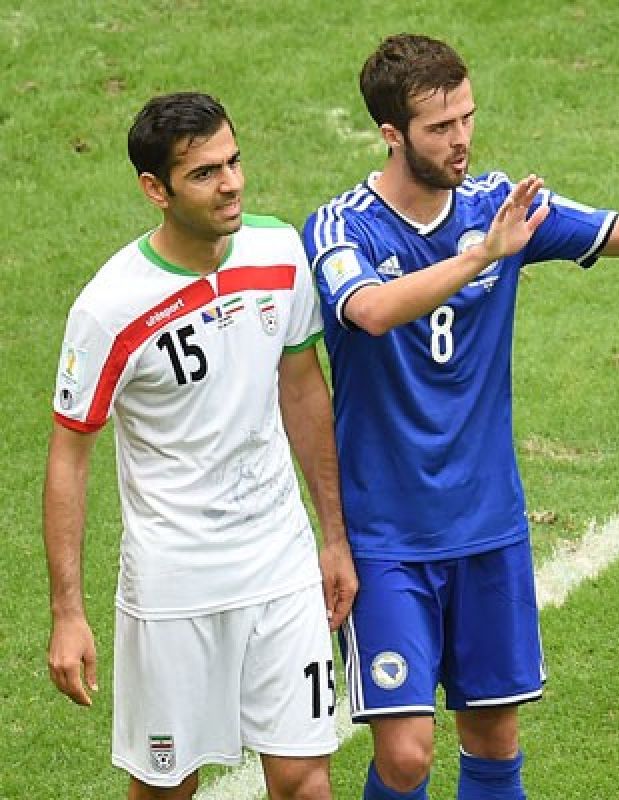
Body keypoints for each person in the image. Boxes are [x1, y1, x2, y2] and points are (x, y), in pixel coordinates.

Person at [301, 34, 619, 800]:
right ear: (392, 134)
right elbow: (371, 312)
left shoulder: (497, 205)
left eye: (467, 119)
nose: (461, 140)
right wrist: (482, 257)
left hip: (489, 527)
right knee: (407, 755)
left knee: (493, 738)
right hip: (388, 539)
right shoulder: (342, 227)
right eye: (440, 127)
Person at [43, 92, 358, 800]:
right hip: (175, 584)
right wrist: (68, 612)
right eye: (206, 173)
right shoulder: (110, 307)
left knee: (307, 778)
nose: (233, 183)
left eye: (234, 160)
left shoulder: (279, 253)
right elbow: (69, 454)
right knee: (165, 788)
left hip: (279, 565)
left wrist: (332, 537)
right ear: (156, 190)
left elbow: (303, 391)